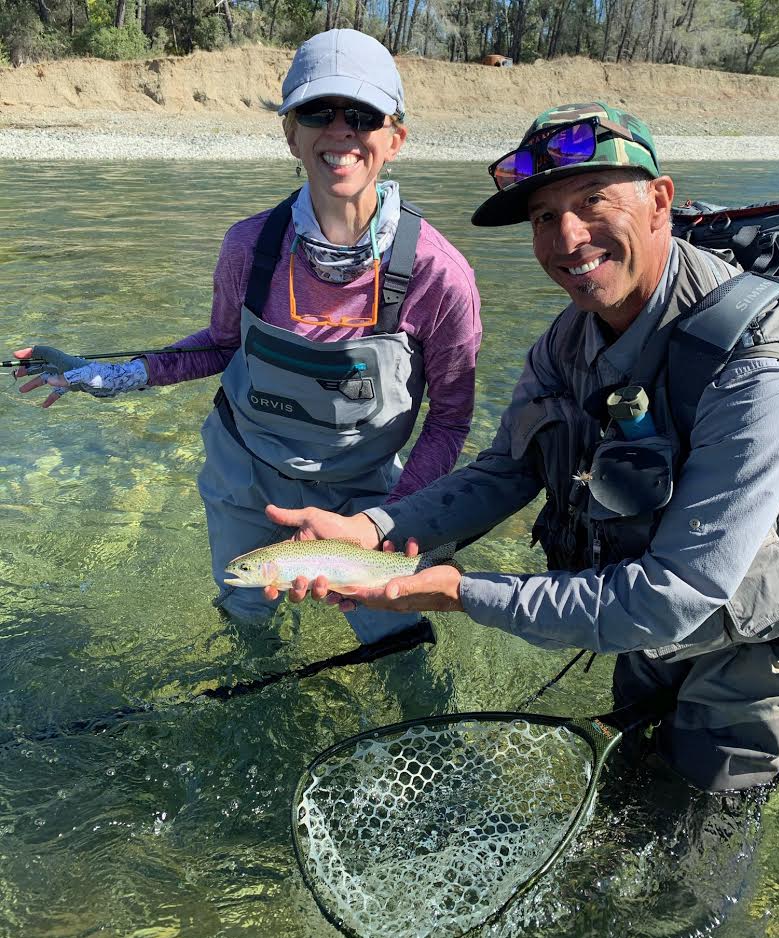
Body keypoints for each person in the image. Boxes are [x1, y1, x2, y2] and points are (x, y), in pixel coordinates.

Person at [264, 102, 779, 792]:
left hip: (756, 645)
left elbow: (680, 591)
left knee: (690, 842)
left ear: (659, 200)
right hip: (634, 615)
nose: (567, 237)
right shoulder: (566, 339)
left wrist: (461, 593)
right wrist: (369, 528)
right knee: (628, 794)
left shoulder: (757, 360)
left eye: (591, 200)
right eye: (544, 217)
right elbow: (504, 471)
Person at [13, 28, 482, 645]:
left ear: (394, 138)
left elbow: (449, 421)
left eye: (363, 114)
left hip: (364, 497)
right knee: (244, 613)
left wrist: (388, 519)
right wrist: (105, 376)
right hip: (246, 481)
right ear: (291, 131)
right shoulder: (249, 247)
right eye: (317, 110)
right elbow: (218, 345)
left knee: (393, 636)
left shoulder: (438, 275)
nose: (339, 129)